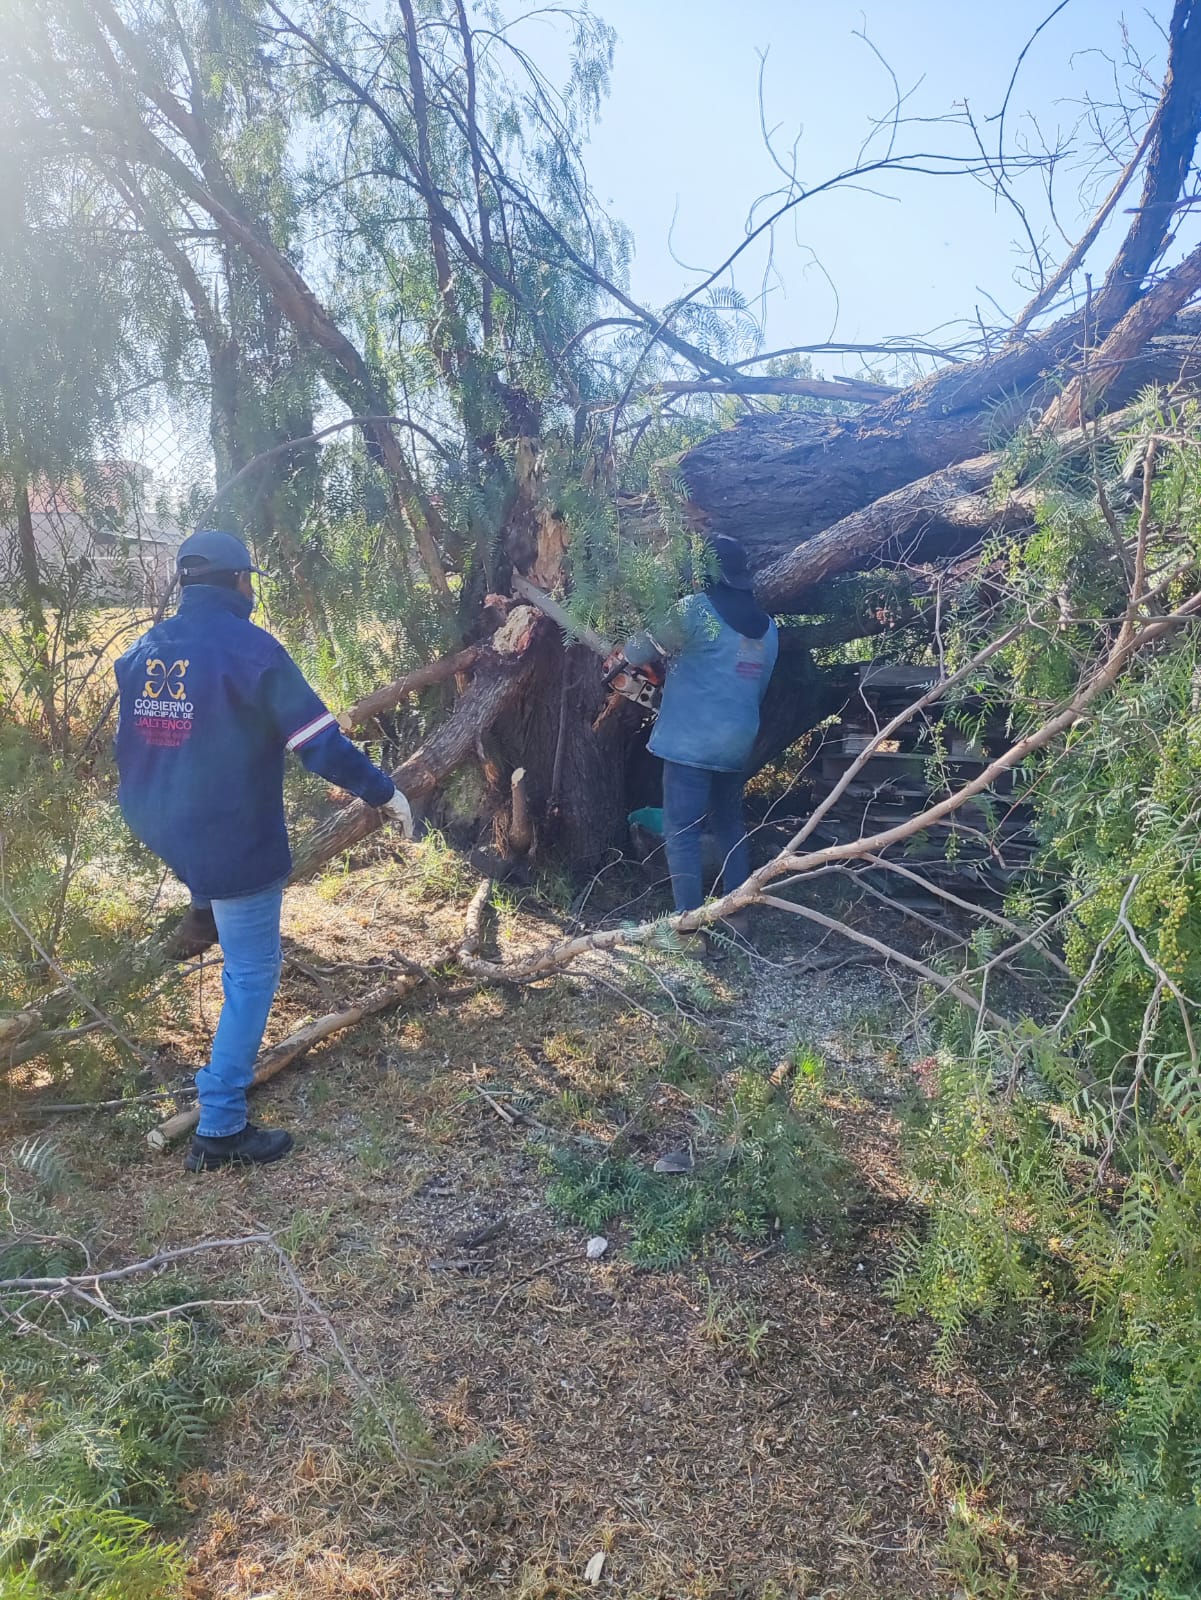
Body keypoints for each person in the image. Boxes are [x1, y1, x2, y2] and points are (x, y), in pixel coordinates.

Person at [114, 529, 413, 1171]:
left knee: (206, 869)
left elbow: (141, 744)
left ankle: (201, 900)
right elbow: (319, 745)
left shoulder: (143, 650)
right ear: (240, 582)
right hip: (228, 832)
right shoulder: (252, 651)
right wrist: (383, 791)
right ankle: (220, 1126)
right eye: (251, 580)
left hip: (155, 820)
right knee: (252, 974)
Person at [623, 535, 778, 942]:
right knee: (729, 823)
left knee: (682, 830)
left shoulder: (694, 610)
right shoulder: (769, 629)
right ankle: (738, 914)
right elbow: (755, 689)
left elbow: (636, 651)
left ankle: (688, 929)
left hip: (690, 743)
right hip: (737, 741)